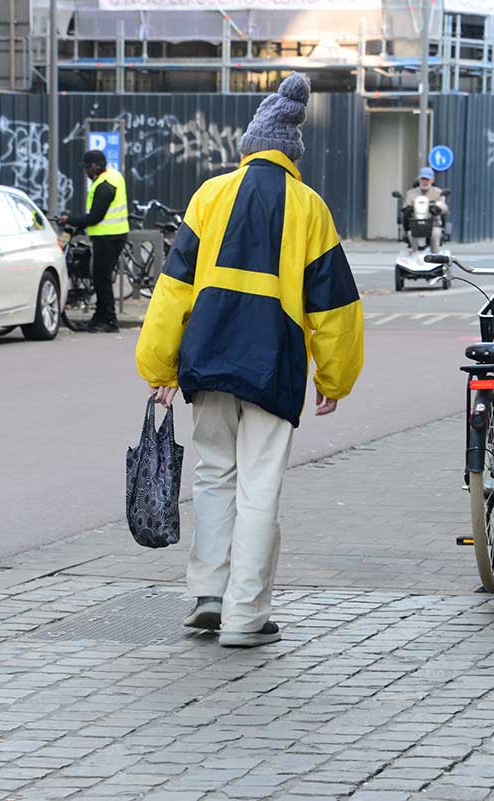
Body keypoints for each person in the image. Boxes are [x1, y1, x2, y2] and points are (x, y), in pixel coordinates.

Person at [135, 73, 364, 648]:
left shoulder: (208, 197)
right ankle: (244, 615)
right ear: (292, 157)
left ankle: (207, 596)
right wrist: (336, 376)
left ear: (247, 147)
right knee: (259, 486)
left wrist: (158, 366)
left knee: (215, 476)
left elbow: (173, 289)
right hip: (273, 363)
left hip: (209, 360)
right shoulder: (310, 207)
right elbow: (335, 305)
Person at [59, 150, 129, 333]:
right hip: (113, 235)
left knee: (102, 280)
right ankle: (99, 318)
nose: (86, 172)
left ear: (96, 166)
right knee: (100, 279)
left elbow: (96, 216)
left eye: (88, 167)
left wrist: (70, 220)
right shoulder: (113, 177)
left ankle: (109, 320)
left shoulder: (105, 185)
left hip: (108, 238)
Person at [402, 166, 450, 248]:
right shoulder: (411, 193)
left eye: (427, 179)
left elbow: (445, 208)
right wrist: (408, 209)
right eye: (422, 179)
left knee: (436, 234)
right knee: (410, 234)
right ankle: (415, 254)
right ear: (419, 180)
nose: (425, 182)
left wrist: (438, 208)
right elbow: (405, 206)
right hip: (416, 225)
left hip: (433, 224)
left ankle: (435, 256)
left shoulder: (438, 193)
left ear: (432, 180)